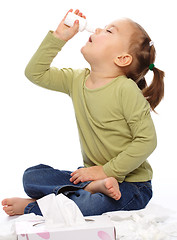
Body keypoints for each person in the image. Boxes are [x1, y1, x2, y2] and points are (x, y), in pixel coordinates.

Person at [2, 9, 164, 217]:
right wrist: (58, 38)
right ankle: (88, 189)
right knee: (32, 177)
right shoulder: (76, 80)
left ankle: (35, 206)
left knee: (92, 206)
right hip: (93, 177)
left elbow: (146, 141)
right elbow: (35, 73)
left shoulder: (126, 90)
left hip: (132, 185)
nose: (97, 29)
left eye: (108, 30)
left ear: (122, 58)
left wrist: (106, 172)